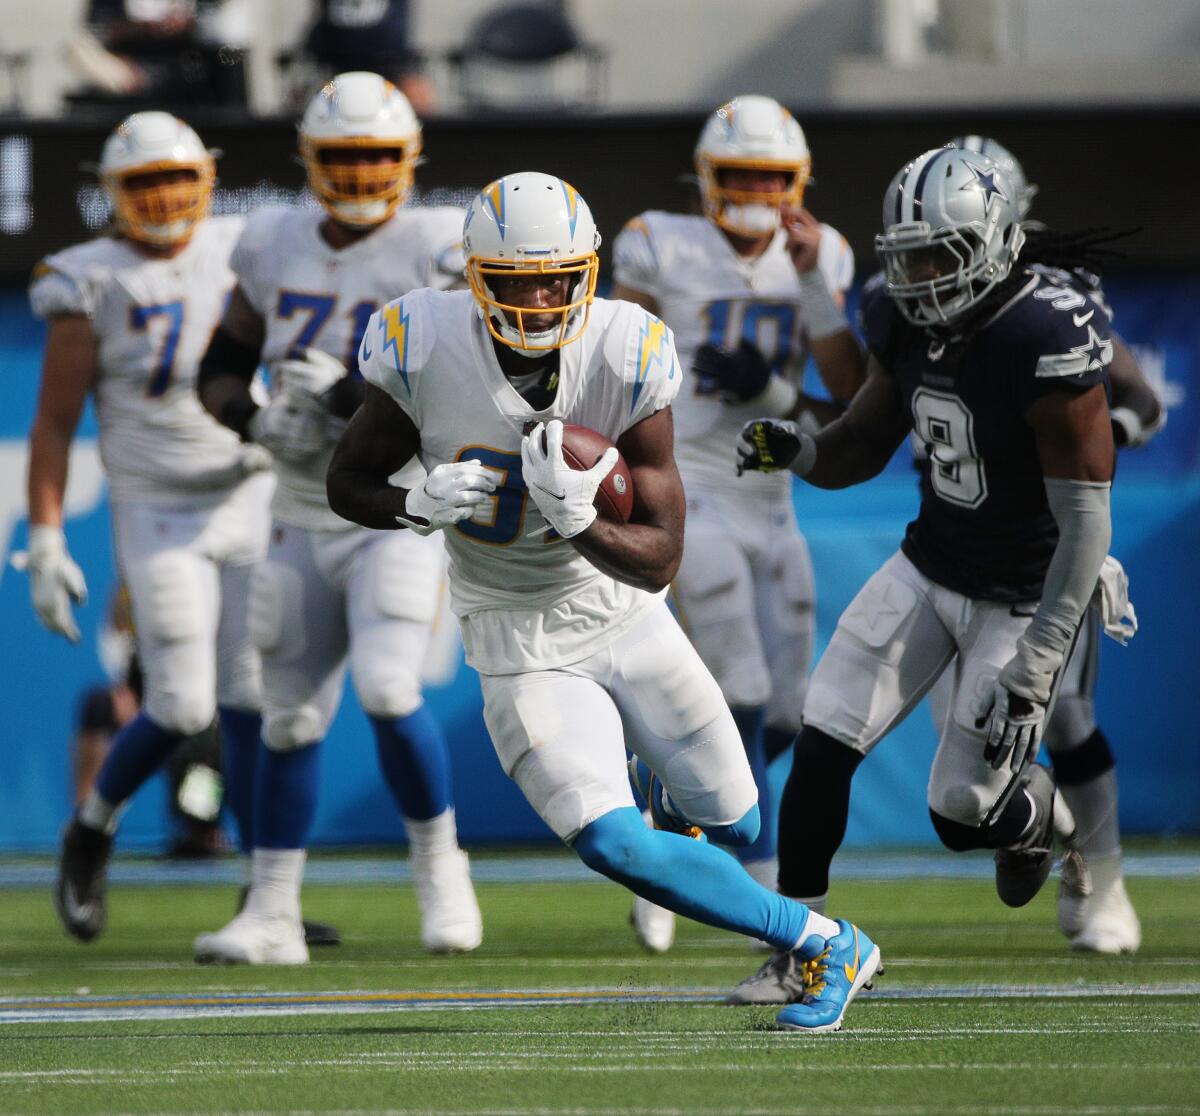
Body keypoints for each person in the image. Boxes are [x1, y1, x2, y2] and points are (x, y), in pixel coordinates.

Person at [326, 170, 882, 1034]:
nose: (544, 300)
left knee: (734, 819)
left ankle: (671, 806)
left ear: (586, 272)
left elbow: (660, 556)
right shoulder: (420, 342)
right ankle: (825, 942)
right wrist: (412, 503)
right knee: (610, 843)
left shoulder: (625, 348)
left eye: (559, 278)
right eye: (519, 282)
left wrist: (578, 520)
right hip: (517, 641)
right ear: (475, 279)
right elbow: (347, 479)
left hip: (624, 613)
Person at [731, 146, 1121, 1003]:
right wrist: (798, 449)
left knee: (956, 815)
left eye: (936, 255)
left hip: (1026, 594)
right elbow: (861, 442)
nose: (915, 275)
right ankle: (803, 951)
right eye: (904, 254)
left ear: (989, 244)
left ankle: (1042, 817)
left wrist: (1044, 652)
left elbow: (1089, 519)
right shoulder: (904, 317)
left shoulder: (1042, 331)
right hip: (929, 563)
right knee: (824, 738)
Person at [192, 71, 480, 965]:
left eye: (374, 157)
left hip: (394, 506)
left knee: (391, 690)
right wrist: (253, 419)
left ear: (408, 162)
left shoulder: (437, 246)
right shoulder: (272, 241)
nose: (358, 176)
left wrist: (357, 392)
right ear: (310, 162)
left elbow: (461, 372)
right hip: (296, 507)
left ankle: (441, 868)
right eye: (342, 158)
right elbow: (222, 365)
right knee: (287, 718)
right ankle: (273, 910)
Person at [611, 94, 864, 952]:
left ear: (798, 183)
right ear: (706, 179)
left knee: (789, 708)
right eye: (739, 175)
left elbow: (851, 403)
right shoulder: (659, 241)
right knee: (745, 686)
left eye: (770, 177)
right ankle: (762, 895)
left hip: (773, 495)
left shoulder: (820, 254)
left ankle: (670, 815)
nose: (755, 193)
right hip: (691, 489)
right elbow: (611, 361)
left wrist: (775, 384)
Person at [25, 111, 272, 942]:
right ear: (113, 192)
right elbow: (56, 422)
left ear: (205, 178)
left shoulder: (249, 245)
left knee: (253, 700)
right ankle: (89, 831)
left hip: (250, 491)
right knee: (178, 702)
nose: (163, 197)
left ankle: (268, 891)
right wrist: (48, 537)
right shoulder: (85, 277)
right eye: (144, 182)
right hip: (159, 506)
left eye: (175, 178)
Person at [928, 135, 1161, 954]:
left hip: (1049, 547)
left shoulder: (1056, 300)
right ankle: (1053, 834)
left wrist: (1108, 439)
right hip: (956, 547)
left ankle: (1106, 882)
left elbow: (1137, 397)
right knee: (962, 740)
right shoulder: (918, 299)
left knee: (1064, 714)